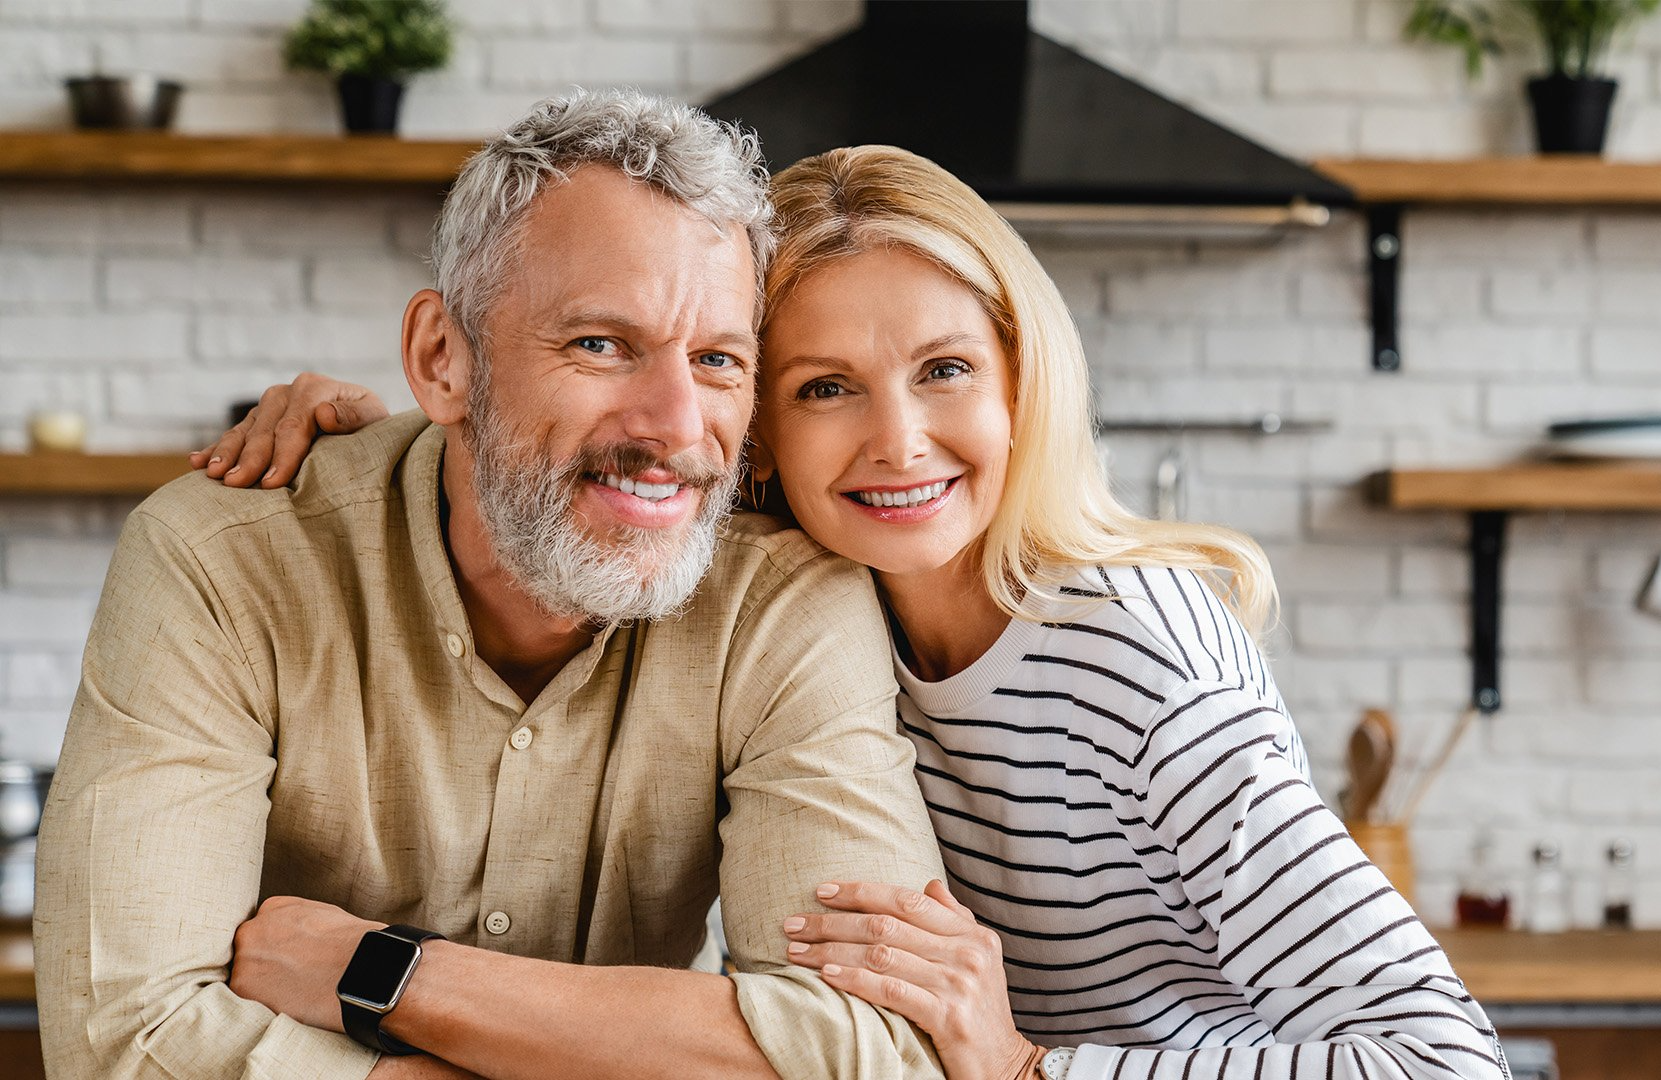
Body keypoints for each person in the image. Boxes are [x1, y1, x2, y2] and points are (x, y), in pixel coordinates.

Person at [221, 145, 1509, 1080]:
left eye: (944, 369)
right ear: (760, 435)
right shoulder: (795, 603)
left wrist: (1023, 1071)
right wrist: (381, 436)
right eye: (825, 386)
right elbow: (581, 452)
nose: (898, 444)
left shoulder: (1135, 653)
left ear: (1020, 379)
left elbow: (1439, 1059)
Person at [33, 90, 950, 1080]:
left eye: (718, 360)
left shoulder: (782, 601)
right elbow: (123, 1044)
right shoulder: (225, 562)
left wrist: (384, 975)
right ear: (442, 360)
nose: (678, 427)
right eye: (601, 344)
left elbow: (872, 1053)